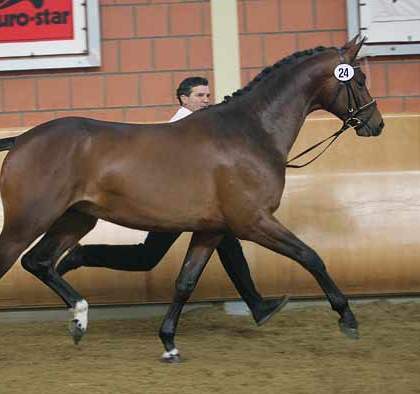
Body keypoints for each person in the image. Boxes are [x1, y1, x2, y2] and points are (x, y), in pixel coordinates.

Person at [56, 77, 288, 326]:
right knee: (146, 258)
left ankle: (256, 304)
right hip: (171, 204)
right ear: (184, 99)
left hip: (200, 206)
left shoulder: (201, 125)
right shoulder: (181, 126)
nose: (206, 101)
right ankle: (82, 255)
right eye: (200, 96)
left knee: (228, 245)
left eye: (208, 96)